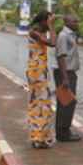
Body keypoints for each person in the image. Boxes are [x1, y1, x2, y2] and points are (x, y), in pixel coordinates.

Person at [26, 11, 57, 149]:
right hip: (37, 71)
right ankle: (38, 138)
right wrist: (51, 26)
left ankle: (39, 138)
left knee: (40, 104)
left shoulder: (38, 32)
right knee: (42, 104)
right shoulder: (34, 33)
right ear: (44, 21)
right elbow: (53, 43)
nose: (51, 23)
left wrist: (50, 25)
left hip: (39, 70)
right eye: (49, 20)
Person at [53, 14, 81, 142]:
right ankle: (63, 133)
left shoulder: (70, 35)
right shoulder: (64, 36)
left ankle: (63, 131)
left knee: (67, 102)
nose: (77, 23)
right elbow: (61, 57)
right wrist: (65, 78)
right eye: (74, 20)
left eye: (77, 21)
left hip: (69, 72)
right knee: (66, 103)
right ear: (66, 22)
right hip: (65, 73)